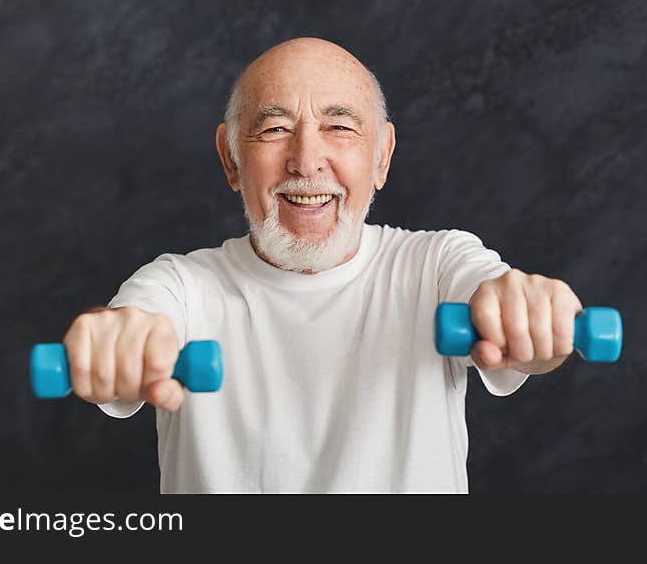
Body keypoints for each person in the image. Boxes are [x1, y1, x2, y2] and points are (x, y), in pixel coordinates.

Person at [62, 37, 583, 493]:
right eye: (274, 130)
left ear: (381, 156)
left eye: (339, 127)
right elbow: (135, 324)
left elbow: (496, 303)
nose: (306, 160)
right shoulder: (180, 285)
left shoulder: (437, 265)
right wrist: (116, 343)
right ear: (230, 159)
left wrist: (526, 312)